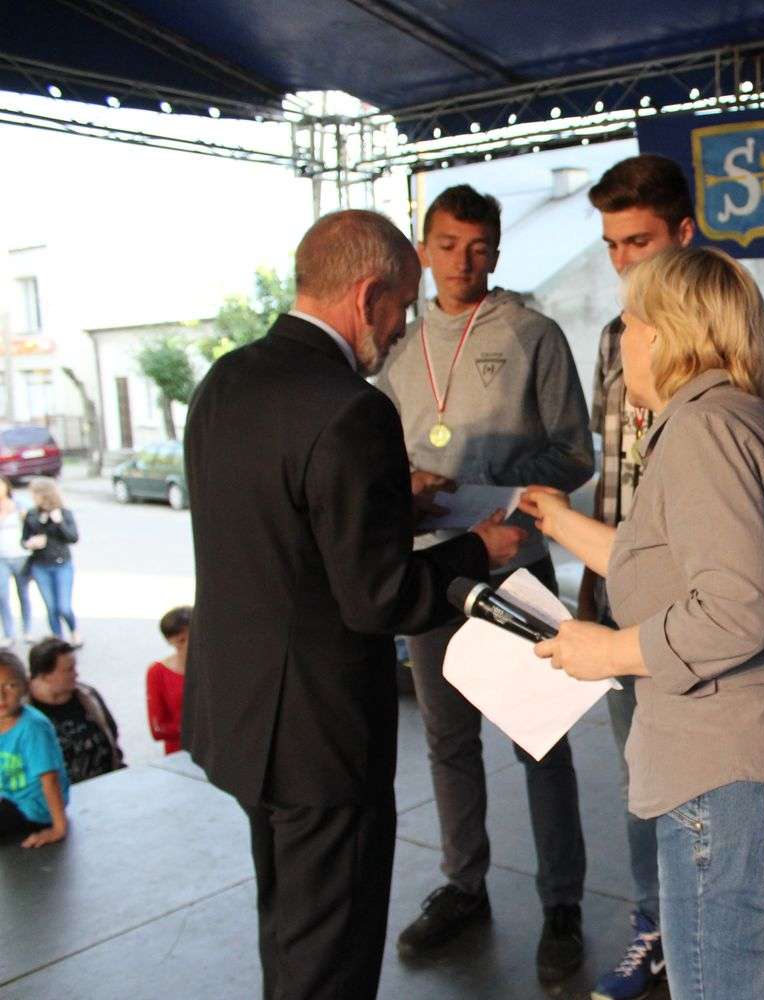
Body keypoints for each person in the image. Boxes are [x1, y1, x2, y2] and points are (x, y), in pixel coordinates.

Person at [183, 208, 524, 1000]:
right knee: (331, 958)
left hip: (240, 714)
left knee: (289, 929)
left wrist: (386, 504)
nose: (402, 328)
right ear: (368, 296)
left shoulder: (226, 379)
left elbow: (274, 524)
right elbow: (380, 599)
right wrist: (478, 550)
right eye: (401, 306)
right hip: (319, 735)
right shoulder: (352, 407)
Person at [524, 246, 764, 1000]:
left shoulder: (703, 432)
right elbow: (673, 565)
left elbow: (736, 606)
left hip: (736, 784)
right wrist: (556, 518)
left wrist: (611, 651)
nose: (621, 342)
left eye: (628, 323)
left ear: (664, 332)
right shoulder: (737, 419)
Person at [580, 152, 764, 1000]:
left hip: (706, 629)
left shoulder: (737, 355)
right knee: (646, 776)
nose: (623, 262)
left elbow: (743, 544)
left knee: (714, 810)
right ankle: (657, 925)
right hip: (629, 590)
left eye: (638, 242)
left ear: (685, 235)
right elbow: (615, 472)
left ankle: (699, 932)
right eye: (611, 246)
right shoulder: (614, 337)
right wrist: (599, 566)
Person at [375, 183, 596, 980]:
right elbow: (375, 456)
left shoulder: (532, 334)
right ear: (423, 250)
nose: (461, 262)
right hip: (431, 567)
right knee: (447, 742)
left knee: (540, 741)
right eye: (446, 246)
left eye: (477, 248)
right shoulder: (398, 348)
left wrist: (491, 487)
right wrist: (406, 485)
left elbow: (575, 453)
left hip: (507, 565)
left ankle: (562, 902)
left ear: (496, 252)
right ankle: (463, 884)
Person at [27, 637, 123, 783]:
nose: (76, 674)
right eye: (69, 670)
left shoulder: (89, 697)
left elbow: (112, 736)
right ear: (44, 675)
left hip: (105, 783)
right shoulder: (21, 711)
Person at [0, 651, 68, 848]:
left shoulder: (33, 727)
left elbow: (49, 779)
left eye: (10, 685)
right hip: (10, 798)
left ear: (25, 686)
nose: (2, 696)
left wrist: (59, 828)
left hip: (34, 807)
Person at [22, 477, 78, 644]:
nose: (33, 497)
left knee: (63, 606)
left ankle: (74, 630)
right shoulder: (32, 514)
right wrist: (30, 543)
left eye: (35, 494)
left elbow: (73, 537)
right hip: (40, 565)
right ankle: (58, 640)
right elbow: (24, 539)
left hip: (62, 564)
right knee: (51, 606)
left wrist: (59, 522)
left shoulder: (63, 513)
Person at [146, 605, 191, 754]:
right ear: (173, 641)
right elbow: (158, 729)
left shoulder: (213, 669)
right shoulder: (158, 672)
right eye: (182, 640)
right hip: (180, 753)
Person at [0, 479, 35, 645]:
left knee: (23, 594)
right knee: (2, 595)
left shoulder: (19, 504)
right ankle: (9, 633)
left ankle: (27, 630)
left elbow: (33, 525)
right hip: (2, 557)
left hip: (21, 555)